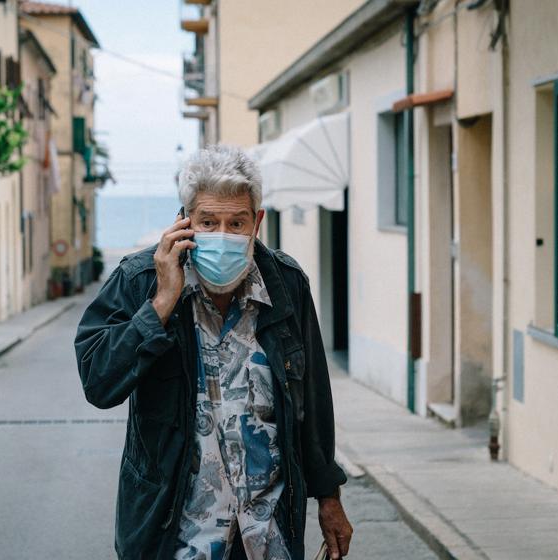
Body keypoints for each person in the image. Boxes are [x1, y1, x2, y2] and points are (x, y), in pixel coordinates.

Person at [74, 145, 353, 560]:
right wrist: (162, 303)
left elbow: (311, 400)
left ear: (257, 222)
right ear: (184, 221)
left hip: (267, 536)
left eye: (236, 222)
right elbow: (99, 381)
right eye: (208, 221)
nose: (222, 234)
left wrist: (329, 498)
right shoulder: (138, 281)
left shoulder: (287, 284)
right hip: (176, 535)